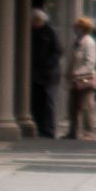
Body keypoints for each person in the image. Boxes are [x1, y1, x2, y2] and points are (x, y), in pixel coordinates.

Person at [29, 8, 61, 139]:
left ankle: (49, 128)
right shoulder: (31, 32)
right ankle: (41, 126)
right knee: (37, 101)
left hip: (47, 74)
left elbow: (57, 51)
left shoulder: (49, 32)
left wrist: (48, 64)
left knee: (47, 102)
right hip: (35, 72)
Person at [65, 16, 96, 140]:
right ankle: (73, 131)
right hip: (74, 80)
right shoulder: (78, 41)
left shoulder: (89, 42)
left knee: (86, 106)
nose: (75, 28)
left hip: (85, 79)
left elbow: (90, 62)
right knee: (73, 106)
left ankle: (88, 132)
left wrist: (77, 73)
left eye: (78, 26)